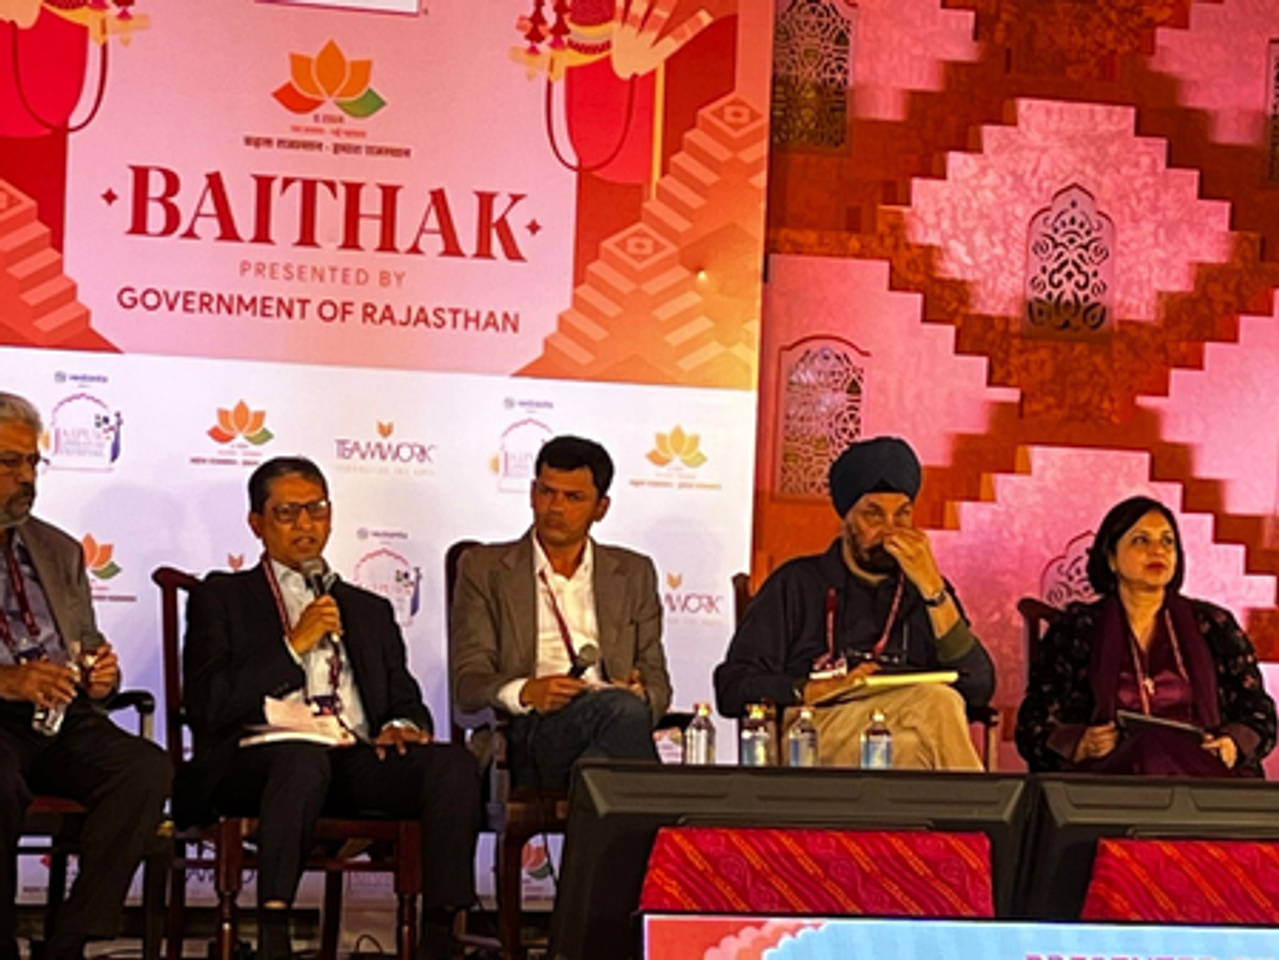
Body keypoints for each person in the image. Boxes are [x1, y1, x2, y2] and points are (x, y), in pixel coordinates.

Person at [180, 457, 480, 959]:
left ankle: (439, 934)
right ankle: (273, 933)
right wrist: (293, 646)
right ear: (256, 523)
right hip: (256, 760)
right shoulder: (224, 596)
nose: (305, 524)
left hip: (349, 756)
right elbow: (209, 704)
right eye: (287, 513)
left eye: (315, 510)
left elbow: (405, 700)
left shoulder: (367, 609)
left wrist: (401, 725)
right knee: (301, 760)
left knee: (452, 765)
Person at [0, 392, 170, 960]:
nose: (27, 477)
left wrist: (102, 676)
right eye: (10, 462)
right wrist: (7, 680)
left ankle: (70, 940)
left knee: (145, 769)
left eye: (32, 462)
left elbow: (86, 642)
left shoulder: (59, 549)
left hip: (60, 715)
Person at [715, 436, 993, 769]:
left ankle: (969, 804)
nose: (890, 531)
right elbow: (732, 687)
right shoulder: (797, 582)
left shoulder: (926, 591)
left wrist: (933, 588)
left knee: (915, 740)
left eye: (902, 515)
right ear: (845, 520)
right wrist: (814, 689)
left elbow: (979, 688)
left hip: (903, 730)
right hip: (814, 731)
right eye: (873, 515)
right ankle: (983, 805)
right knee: (938, 702)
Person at [450, 435, 672, 790]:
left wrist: (641, 694)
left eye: (573, 498)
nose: (555, 507)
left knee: (614, 730)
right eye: (547, 492)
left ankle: (601, 819)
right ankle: (653, 815)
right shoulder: (484, 568)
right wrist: (526, 691)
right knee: (621, 721)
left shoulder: (634, 573)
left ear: (601, 508)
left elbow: (657, 680)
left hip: (611, 720)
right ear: (531, 493)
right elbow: (468, 682)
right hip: (530, 731)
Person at [1016, 495, 1276, 776]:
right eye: (1141, 540)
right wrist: (1080, 744)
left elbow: (1260, 714)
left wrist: (1232, 744)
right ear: (1111, 558)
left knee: (1155, 748)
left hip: (1200, 775)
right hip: (1112, 778)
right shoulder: (1076, 629)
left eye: (1167, 541)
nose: (1158, 550)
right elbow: (1033, 725)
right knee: (1147, 746)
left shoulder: (1214, 625)